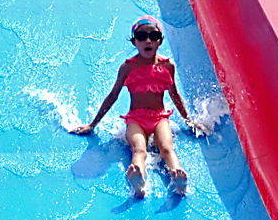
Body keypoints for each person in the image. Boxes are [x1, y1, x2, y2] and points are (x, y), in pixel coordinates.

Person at [71, 16, 193, 195]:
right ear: (134, 41)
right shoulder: (128, 67)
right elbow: (113, 96)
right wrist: (92, 124)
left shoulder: (168, 66)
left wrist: (188, 120)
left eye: (153, 35)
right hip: (135, 119)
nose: (148, 40)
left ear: (159, 41)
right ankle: (139, 181)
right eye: (142, 36)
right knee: (139, 148)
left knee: (166, 147)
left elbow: (174, 94)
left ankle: (179, 178)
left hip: (160, 118)